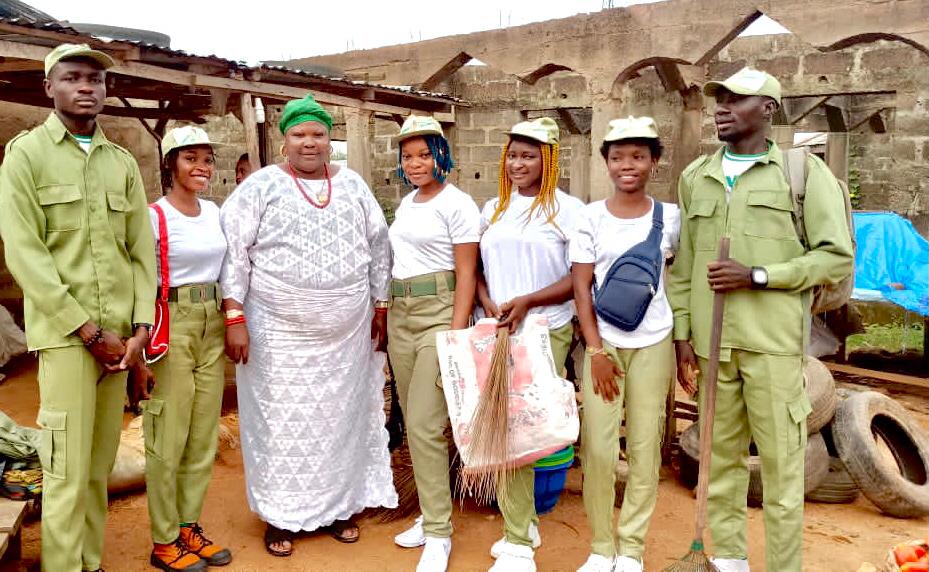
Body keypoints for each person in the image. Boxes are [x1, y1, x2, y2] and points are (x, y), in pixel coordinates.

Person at [667, 68, 854, 572]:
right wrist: (683, 334)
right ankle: (729, 560)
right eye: (719, 99)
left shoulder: (803, 175)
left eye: (737, 99)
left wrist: (760, 275)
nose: (722, 107)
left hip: (772, 346)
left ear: (769, 109)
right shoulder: (695, 176)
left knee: (782, 471)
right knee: (720, 460)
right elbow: (683, 267)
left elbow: (835, 257)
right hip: (712, 347)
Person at [219, 93, 397, 558]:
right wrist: (235, 315)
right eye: (299, 134)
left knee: (342, 417)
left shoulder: (355, 186)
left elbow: (379, 247)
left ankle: (340, 507)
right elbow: (234, 252)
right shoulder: (260, 187)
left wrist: (380, 304)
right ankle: (281, 516)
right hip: (277, 332)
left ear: (330, 138)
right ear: (285, 141)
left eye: (318, 134)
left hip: (347, 332)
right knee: (281, 421)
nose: (309, 143)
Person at [0, 43, 156, 572]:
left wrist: (138, 333)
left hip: (118, 343)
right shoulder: (26, 155)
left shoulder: (121, 162)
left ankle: (90, 562)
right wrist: (89, 331)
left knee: (97, 466)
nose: (87, 87)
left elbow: (140, 251)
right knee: (65, 468)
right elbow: (25, 254)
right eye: (73, 78)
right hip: (69, 340)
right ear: (50, 87)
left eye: (96, 79)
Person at [570, 117, 679, 572]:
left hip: (655, 341)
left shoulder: (670, 216)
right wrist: (595, 351)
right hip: (605, 344)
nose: (627, 165)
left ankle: (631, 548)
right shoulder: (589, 216)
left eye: (637, 156)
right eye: (617, 157)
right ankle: (600, 546)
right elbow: (581, 287)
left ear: (654, 160)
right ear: (606, 163)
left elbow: (681, 281)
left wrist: (685, 345)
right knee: (597, 447)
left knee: (644, 445)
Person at [476, 117, 584, 572]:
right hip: (498, 331)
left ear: (549, 160)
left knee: (526, 426)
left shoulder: (567, 211)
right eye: (513, 155)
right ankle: (522, 525)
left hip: (545, 329)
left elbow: (578, 278)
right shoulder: (493, 209)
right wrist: (489, 305)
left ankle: (519, 541)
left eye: (529, 155)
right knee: (501, 425)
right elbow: (478, 270)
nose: (518, 163)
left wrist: (527, 302)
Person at [388, 116, 480, 572]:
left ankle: (440, 533)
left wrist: (456, 330)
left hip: (439, 314)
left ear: (441, 154)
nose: (416, 162)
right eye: (408, 156)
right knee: (413, 421)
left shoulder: (458, 203)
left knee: (426, 422)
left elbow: (467, 272)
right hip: (401, 313)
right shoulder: (407, 203)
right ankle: (428, 516)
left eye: (424, 154)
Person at [141, 126, 231, 571]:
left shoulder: (214, 212)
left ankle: (188, 525)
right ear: (171, 164)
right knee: (168, 435)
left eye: (207, 160)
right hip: (171, 323)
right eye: (191, 158)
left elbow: (229, 267)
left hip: (212, 322)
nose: (202, 167)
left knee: (201, 434)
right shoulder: (153, 215)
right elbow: (138, 279)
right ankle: (164, 539)